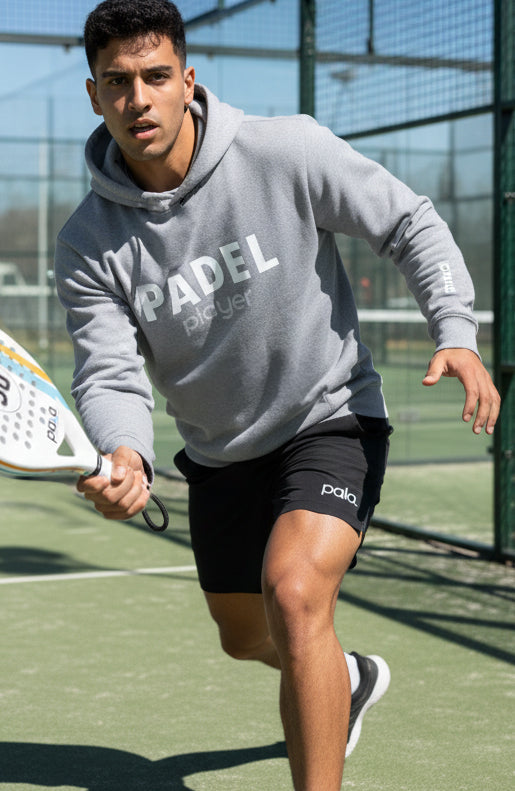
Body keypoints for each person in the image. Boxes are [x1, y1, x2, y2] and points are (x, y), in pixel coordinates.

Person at [54, 1, 500, 788]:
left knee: (295, 594)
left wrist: (455, 331)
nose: (139, 99)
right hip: (219, 454)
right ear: (94, 95)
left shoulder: (283, 149)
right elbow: (109, 368)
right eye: (117, 82)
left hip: (328, 417)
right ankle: (348, 676)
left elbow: (409, 222)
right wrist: (124, 451)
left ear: (187, 81)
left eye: (156, 76)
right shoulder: (88, 243)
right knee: (245, 636)